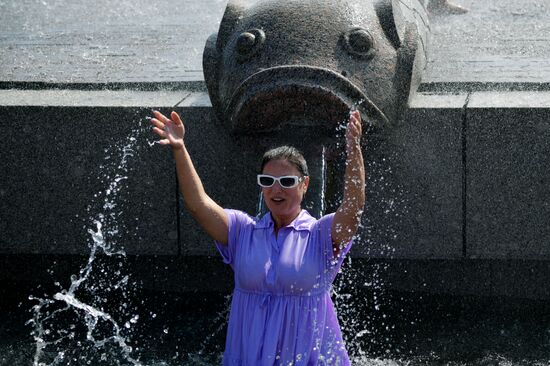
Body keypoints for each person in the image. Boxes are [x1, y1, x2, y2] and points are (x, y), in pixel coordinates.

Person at [151, 109, 365, 365]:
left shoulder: (320, 234)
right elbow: (198, 204)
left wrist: (354, 151)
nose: (276, 189)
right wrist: (179, 148)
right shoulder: (242, 231)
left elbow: (352, 210)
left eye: (286, 181)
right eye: (268, 180)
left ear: (305, 184)